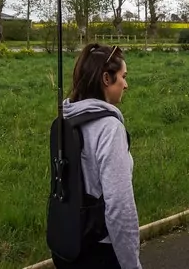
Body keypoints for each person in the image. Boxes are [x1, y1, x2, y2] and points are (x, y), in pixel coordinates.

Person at [52, 43, 142, 269]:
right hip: (100, 251)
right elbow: (120, 207)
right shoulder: (109, 129)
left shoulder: (67, 120)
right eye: (123, 76)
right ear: (106, 78)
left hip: (69, 243)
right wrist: (131, 264)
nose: (126, 84)